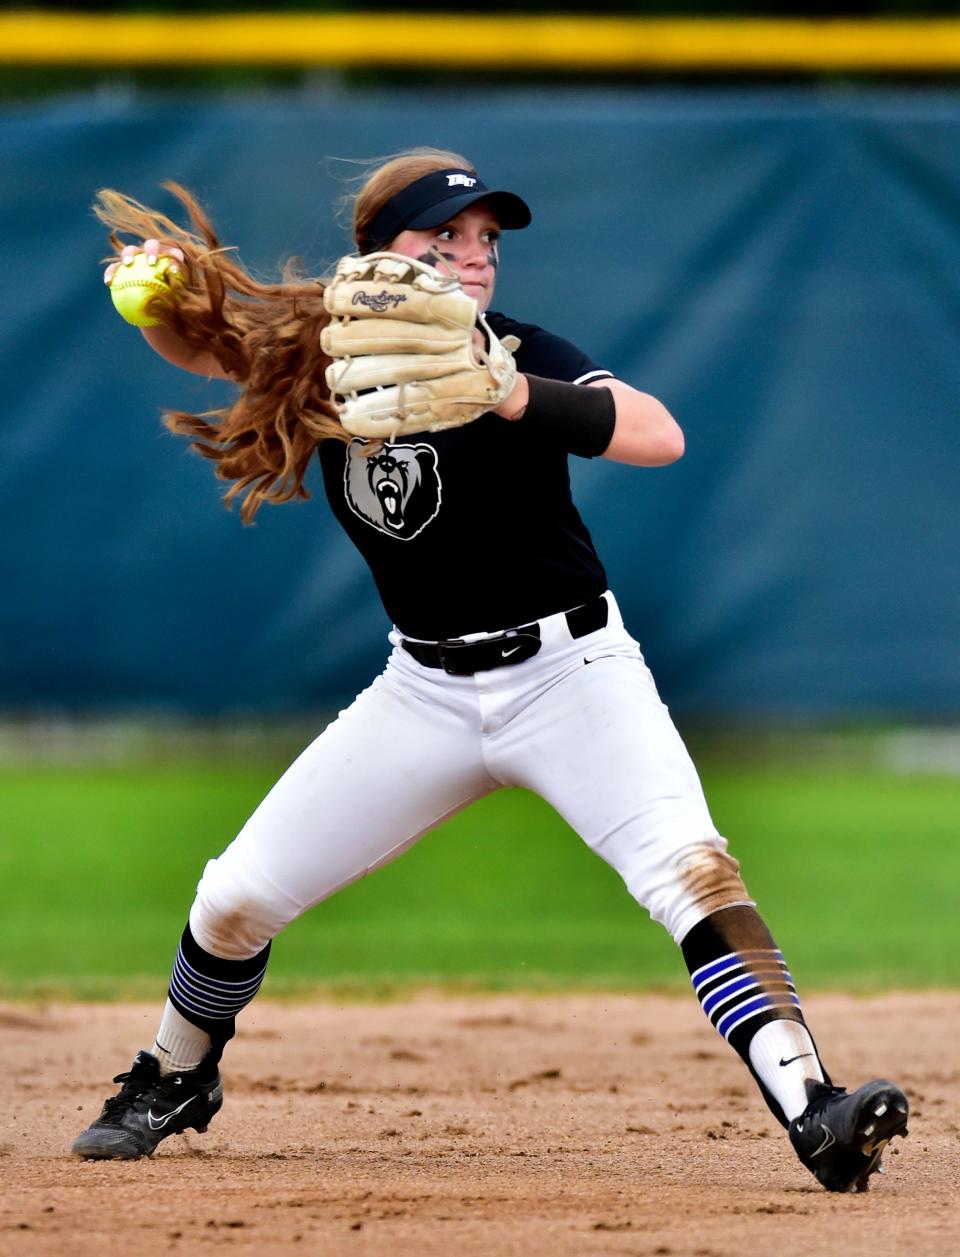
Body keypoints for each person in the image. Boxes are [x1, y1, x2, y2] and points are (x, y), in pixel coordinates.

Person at [74, 147, 908, 1192]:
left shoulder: (519, 350)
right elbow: (201, 349)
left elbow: (659, 435)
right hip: (423, 691)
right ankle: (172, 1076)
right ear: (381, 255)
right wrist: (151, 295)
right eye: (446, 236)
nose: (474, 257)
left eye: (487, 240)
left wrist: (512, 394)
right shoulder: (324, 348)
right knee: (236, 896)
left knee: (692, 874)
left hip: (574, 675)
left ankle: (816, 1109)